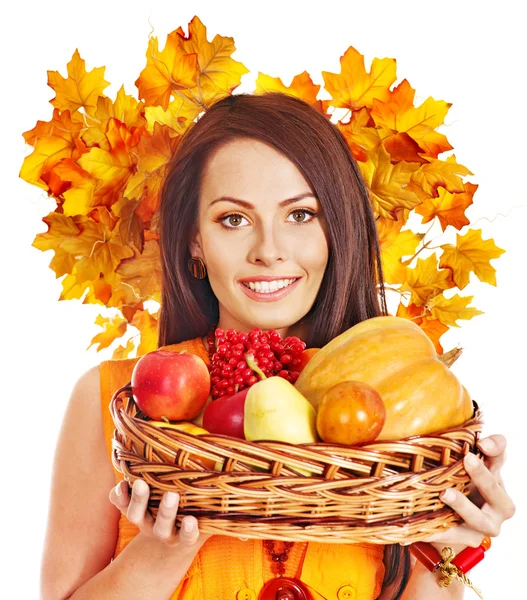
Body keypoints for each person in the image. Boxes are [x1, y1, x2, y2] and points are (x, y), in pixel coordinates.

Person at [40, 92, 515, 600]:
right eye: (233, 219)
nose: (268, 251)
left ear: (338, 229)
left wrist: (440, 553)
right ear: (194, 239)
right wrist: (162, 553)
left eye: (301, 215)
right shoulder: (119, 401)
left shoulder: (392, 410)